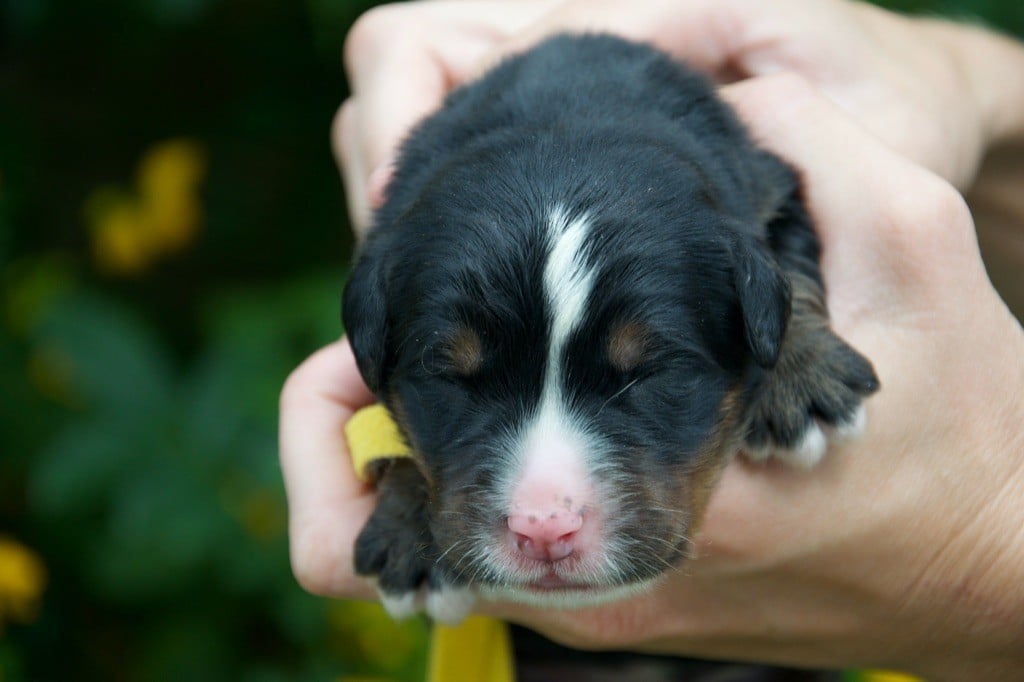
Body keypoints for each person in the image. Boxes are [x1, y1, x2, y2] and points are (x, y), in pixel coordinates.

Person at [279, 1, 1024, 678]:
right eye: (458, 379)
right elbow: (375, 382)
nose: (543, 516)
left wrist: (980, 548)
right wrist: (408, 481)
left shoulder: (749, 157)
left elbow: (790, 215)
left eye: (651, 375)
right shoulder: (412, 242)